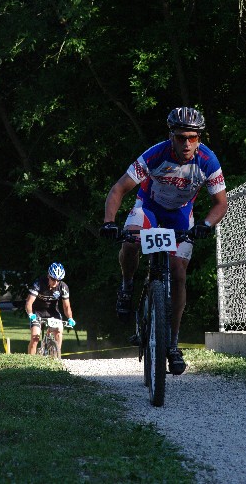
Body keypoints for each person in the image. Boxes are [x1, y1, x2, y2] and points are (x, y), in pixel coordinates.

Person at [100, 107, 228, 375]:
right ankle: (126, 286)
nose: (186, 144)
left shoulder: (208, 160)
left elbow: (220, 204)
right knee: (131, 241)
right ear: (171, 136)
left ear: (200, 138)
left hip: (181, 216)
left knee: (179, 273)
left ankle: (172, 343)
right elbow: (119, 189)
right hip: (149, 208)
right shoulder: (155, 154)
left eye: (192, 138)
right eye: (181, 137)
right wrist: (109, 222)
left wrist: (206, 224)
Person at [25, 262, 76, 355]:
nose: (55, 282)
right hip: (38, 312)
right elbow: (29, 302)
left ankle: (56, 357)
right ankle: (30, 361)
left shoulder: (63, 287)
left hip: (53, 312)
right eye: (53, 279)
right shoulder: (39, 283)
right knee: (35, 338)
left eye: (58, 280)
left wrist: (70, 318)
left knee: (59, 332)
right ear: (48, 276)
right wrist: (30, 314)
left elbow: (66, 306)